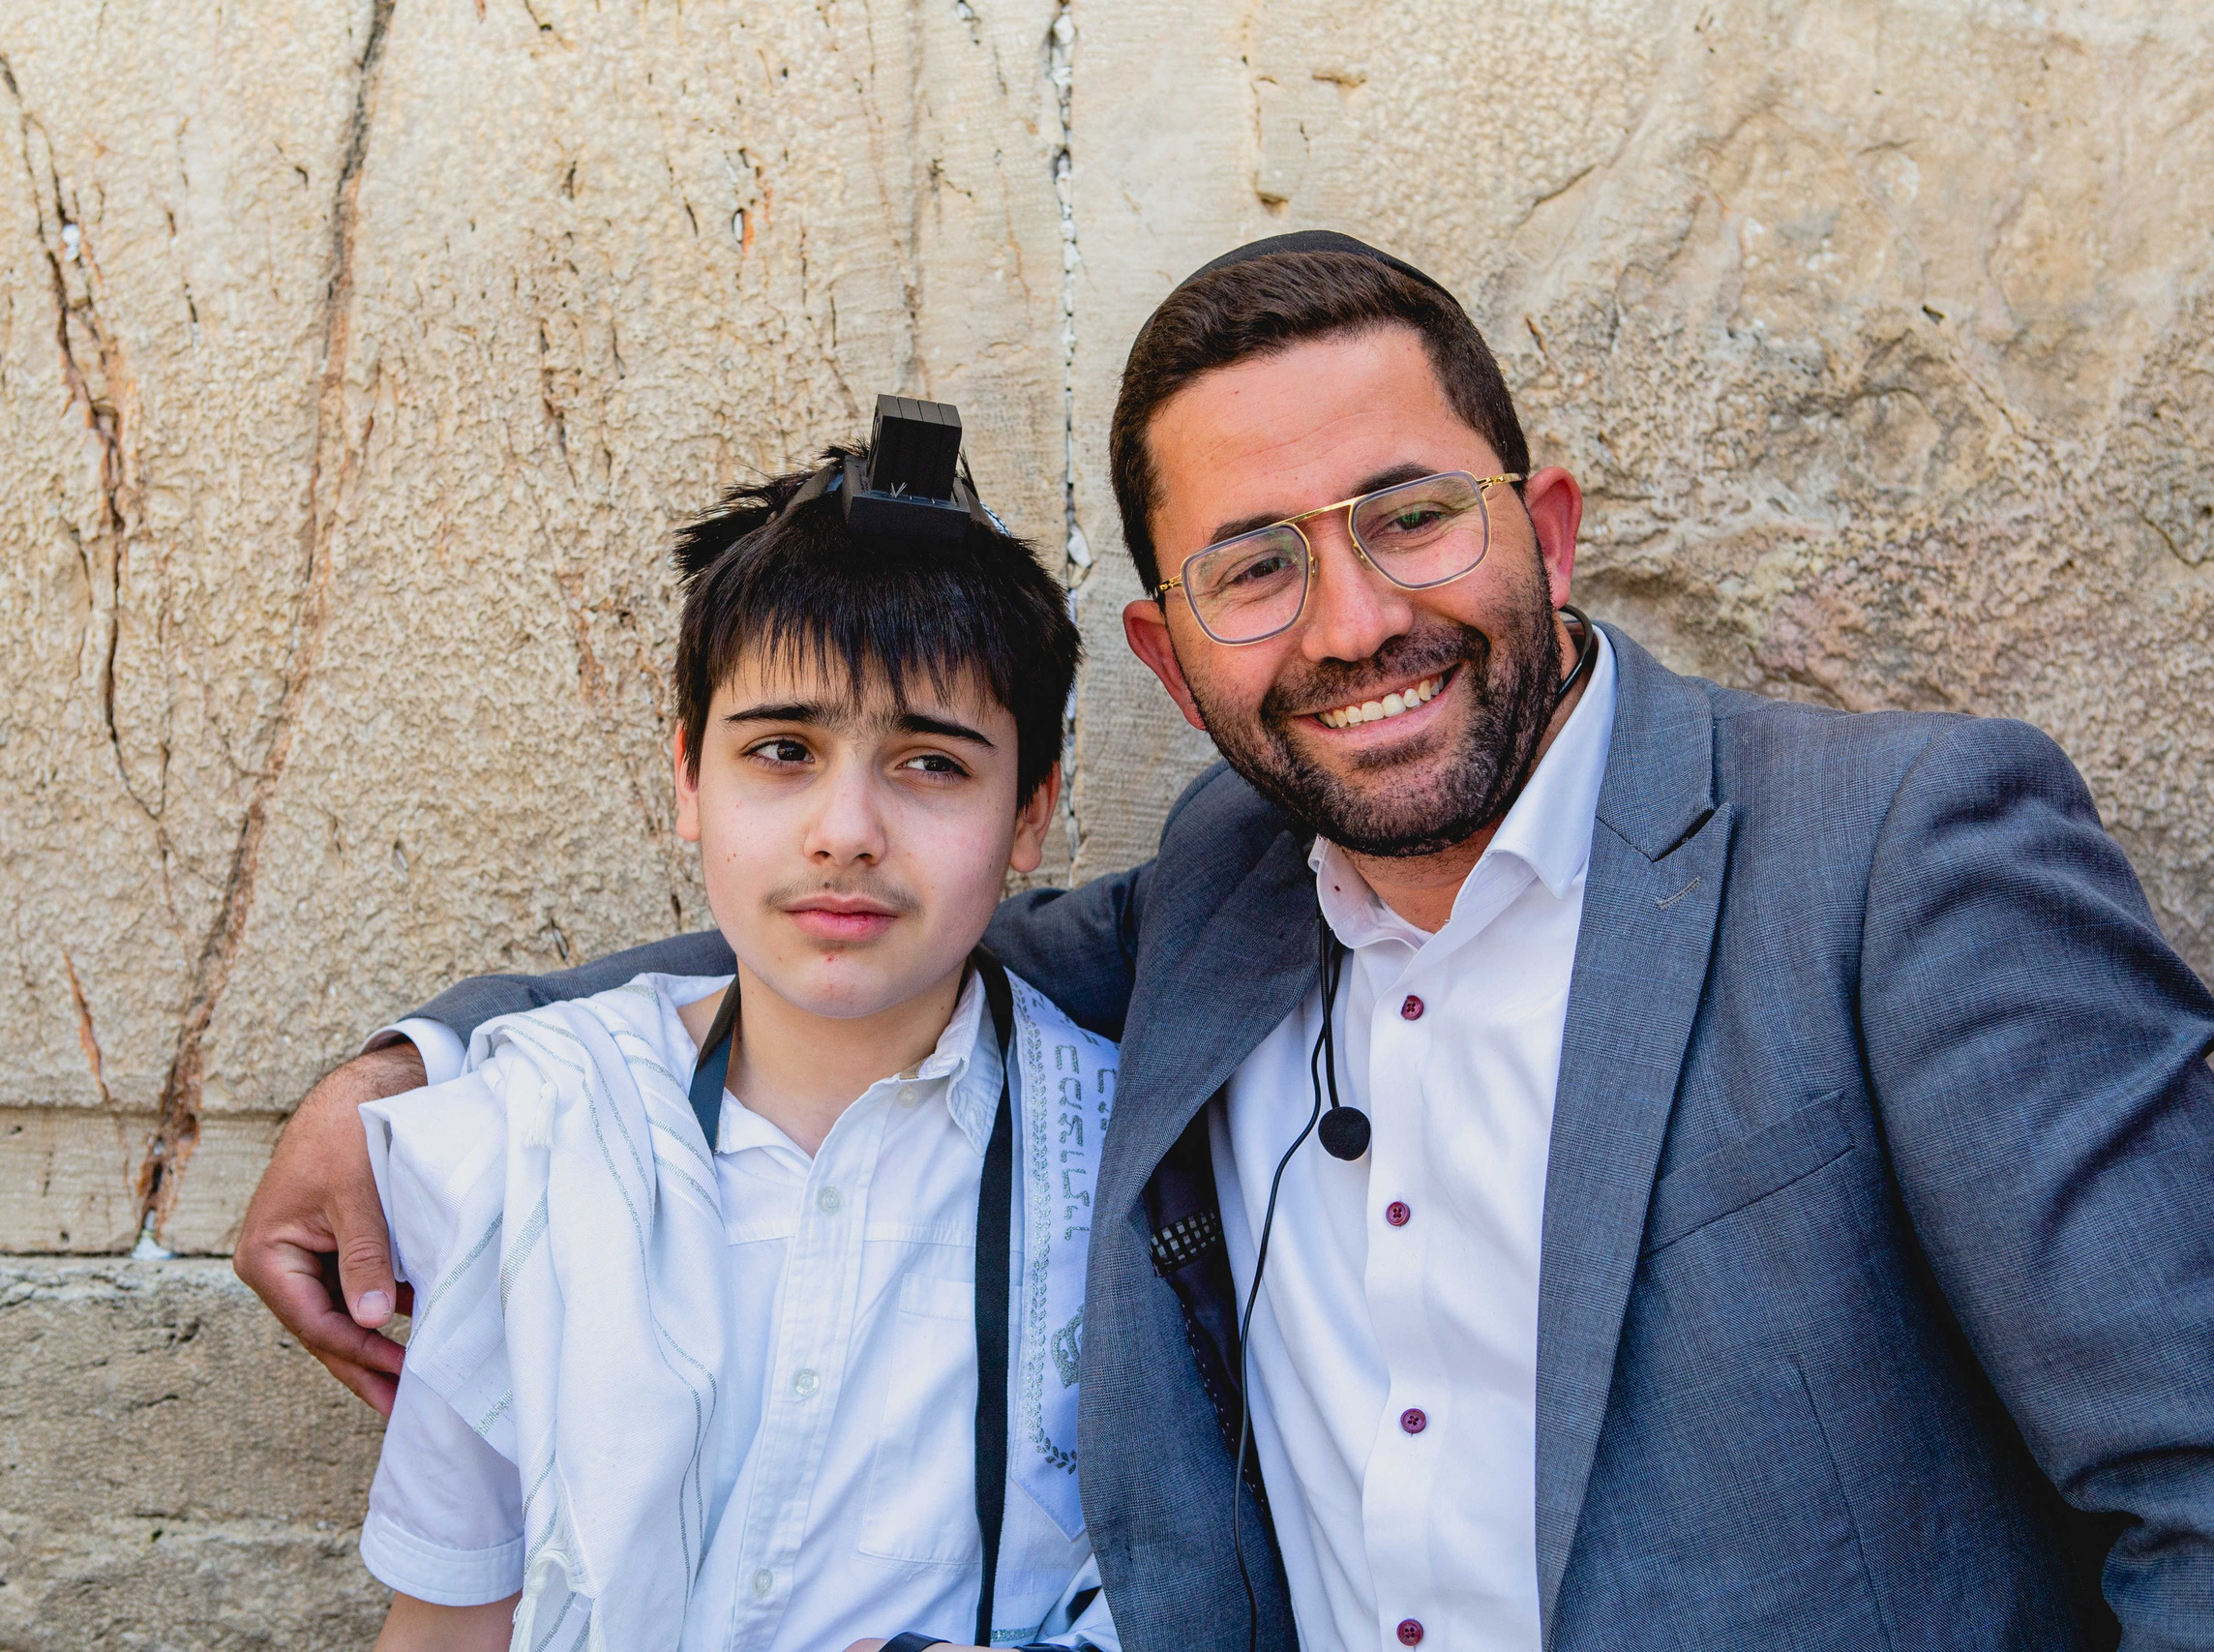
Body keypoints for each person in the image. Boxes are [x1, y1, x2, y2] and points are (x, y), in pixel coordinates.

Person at [240, 234, 2214, 1651]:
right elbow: (862, 930)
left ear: (1543, 519)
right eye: (1256, 564)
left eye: (1409, 518)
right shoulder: (1220, 897)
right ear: (1173, 663)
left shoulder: (1892, 850)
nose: (1352, 618)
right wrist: (416, 1065)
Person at [353, 411, 1122, 1652]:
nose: (845, 830)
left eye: (931, 764)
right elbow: (451, 1619)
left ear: (1029, 816)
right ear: (687, 782)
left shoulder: (1133, 1170)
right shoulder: (541, 1131)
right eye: (782, 749)